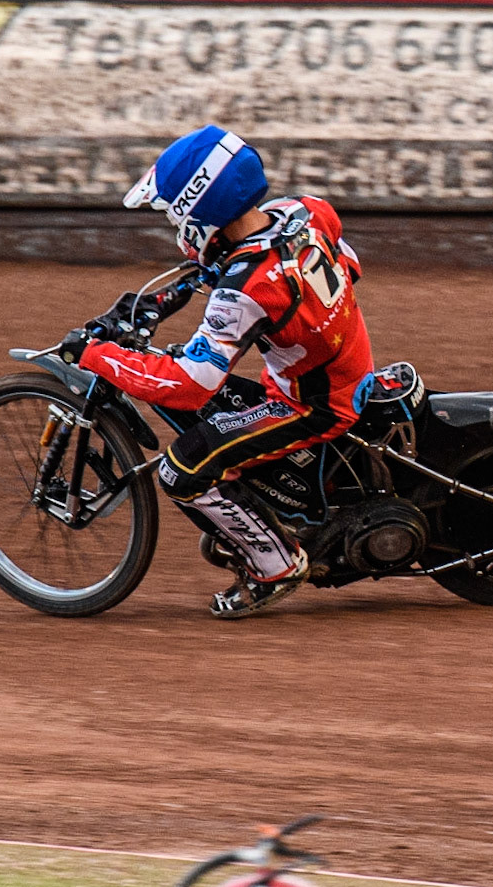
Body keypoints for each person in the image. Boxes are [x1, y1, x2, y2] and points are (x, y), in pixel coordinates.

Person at [61, 126, 374, 618]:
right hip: (344, 367)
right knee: (205, 401)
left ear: (201, 212)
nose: (177, 229)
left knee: (181, 469)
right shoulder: (306, 211)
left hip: (313, 404)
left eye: (176, 216)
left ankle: (276, 566)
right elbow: (349, 264)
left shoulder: (245, 289)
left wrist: (96, 355)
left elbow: (190, 385)